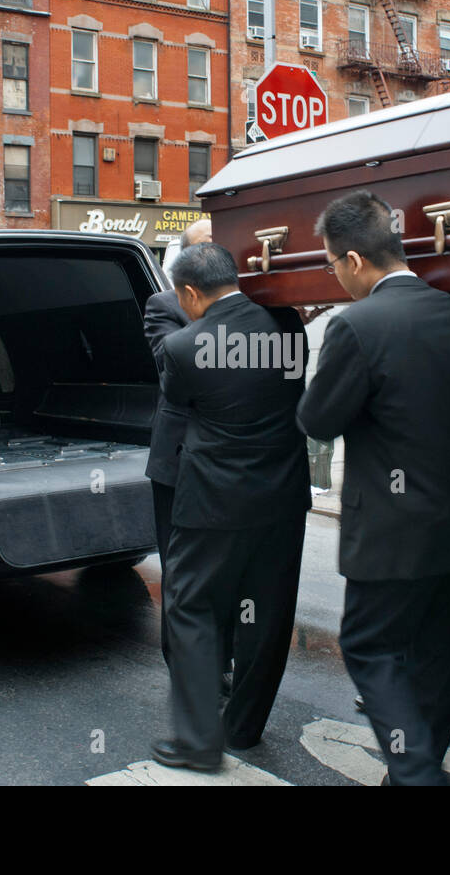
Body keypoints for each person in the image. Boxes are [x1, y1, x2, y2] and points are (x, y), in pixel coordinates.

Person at [297, 189, 450, 786]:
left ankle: (416, 775)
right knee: (441, 657)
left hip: (394, 534)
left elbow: (318, 421)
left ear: (355, 261)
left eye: (331, 264)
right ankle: (418, 768)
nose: (333, 276)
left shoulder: (358, 325)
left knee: (369, 648)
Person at [151, 243, 311, 771]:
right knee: (268, 612)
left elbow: (180, 405)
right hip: (283, 496)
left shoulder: (181, 347)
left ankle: (199, 740)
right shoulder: (287, 327)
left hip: (213, 501)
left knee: (190, 605)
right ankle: (244, 728)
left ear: (191, 293)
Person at [143, 218, 224, 676]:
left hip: (225, 457)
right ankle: (186, 664)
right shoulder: (164, 305)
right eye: (205, 247)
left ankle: (221, 656)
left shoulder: (242, 306)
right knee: (181, 565)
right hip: (177, 457)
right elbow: (171, 369)